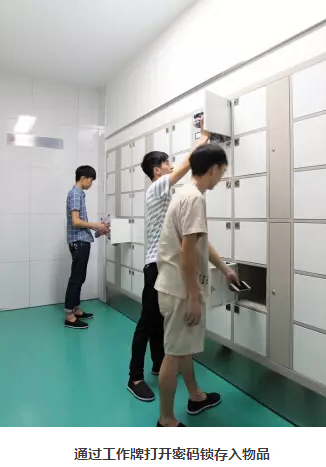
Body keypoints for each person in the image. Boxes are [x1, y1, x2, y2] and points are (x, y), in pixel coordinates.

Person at [154, 143, 239, 427]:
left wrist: (225, 269)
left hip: (174, 287)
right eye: (222, 171)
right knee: (173, 354)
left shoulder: (187, 194)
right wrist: (192, 295)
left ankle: (196, 396)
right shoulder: (194, 199)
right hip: (180, 291)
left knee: (183, 348)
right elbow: (187, 251)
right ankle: (166, 419)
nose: (222, 177)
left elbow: (200, 241)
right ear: (213, 169)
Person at [127, 123, 211, 402]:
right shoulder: (157, 188)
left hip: (160, 265)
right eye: (166, 163)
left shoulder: (162, 193)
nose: (171, 166)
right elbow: (186, 166)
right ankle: (134, 377)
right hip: (156, 266)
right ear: (157, 170)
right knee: (147, 321)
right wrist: (204, 138)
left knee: (159, 321)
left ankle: (157, 362)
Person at [64, 165, 109, 330]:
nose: (91, 184)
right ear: (83, 178)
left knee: (80, 277)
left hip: (81, 240)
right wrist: (96, 225)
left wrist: (97, 229)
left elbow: (80, 222)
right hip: (79, 242)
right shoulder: (76, 194)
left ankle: (75, 309)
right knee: (76, 278)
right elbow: (76, 222)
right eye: (91, 180)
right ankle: (69, 316)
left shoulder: (78, 194)